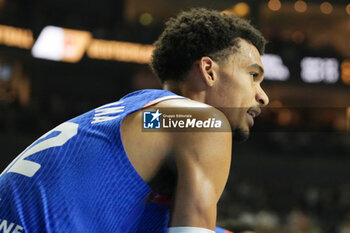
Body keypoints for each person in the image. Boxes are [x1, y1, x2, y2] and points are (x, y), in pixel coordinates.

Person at [0, 8, 268, 233]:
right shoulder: (201, 121)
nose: (263, 96)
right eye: (253, 76)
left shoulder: (141, 116)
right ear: (209, 71)